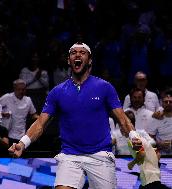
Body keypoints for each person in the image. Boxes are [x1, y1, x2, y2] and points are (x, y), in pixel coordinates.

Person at [9, 42, 142, 189]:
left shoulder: (105, 87)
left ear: (89, 60)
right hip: (70, 155)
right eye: (73, 53)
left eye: (82, 52)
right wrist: (22, 143)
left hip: (100, 154)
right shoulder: (57, 92)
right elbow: (40, 124)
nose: (77, 55)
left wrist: (134, 136)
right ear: (69, 60)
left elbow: (122, 118)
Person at [0, 79, 39, 145]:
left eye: (23, 89)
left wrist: (41, 118)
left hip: (21, 134)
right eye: (19, 89)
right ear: (14, 89)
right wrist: (2, 114)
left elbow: (33, 114)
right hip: (7, 133)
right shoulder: (7, 97)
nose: (21, 91)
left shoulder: (28, 100)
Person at [147, 89, 172, 155]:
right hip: (161, 154)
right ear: (162, 103)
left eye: (170, 102)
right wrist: (158, 144)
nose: (168, 104)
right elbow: (149, 137)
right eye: (166, 102)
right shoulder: (156, 117)